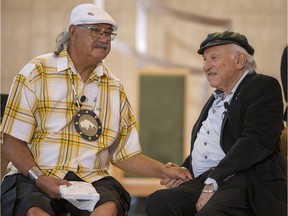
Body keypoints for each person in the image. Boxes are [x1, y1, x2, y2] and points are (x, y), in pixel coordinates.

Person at [0, 4, 191, 216]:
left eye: (109, 33)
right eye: (96, 30)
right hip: (35, 175)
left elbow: (123, 154)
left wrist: (162, 170)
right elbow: (11, 141)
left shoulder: (114, 87)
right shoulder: (37, 72)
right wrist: (40, 179)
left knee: (107, 207)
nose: (104, 38)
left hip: (90, 180)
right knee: (35, 211)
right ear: (73, 32)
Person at [145, 31, 287, 216]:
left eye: (213, 58)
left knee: (212, 212)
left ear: (239, 61)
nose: (206, 66)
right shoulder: (216, 98)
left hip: (245, 179)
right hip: (208, 179)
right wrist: (185, 170)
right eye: (204, 60)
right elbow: (213, 143)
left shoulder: (262, 87)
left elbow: (255, 142)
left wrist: (214, 181)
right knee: (159, 202)